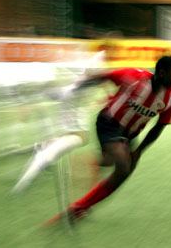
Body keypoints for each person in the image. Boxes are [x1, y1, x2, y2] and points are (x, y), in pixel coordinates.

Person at [44, 56, 171, 224]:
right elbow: (102, 76)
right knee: (123, 167)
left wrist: (139, 151)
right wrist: (71, 89)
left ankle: (92, 175)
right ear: (161, 72)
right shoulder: (134, 77)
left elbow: (158, 127)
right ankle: (78, 208)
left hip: (129, 135)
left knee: (121, 168)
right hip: (108, 124)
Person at [12, 50, 106, 193]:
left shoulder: (78, 89)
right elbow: (54, 91)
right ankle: (39, 149)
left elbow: (91, 73)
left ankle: (21, 186)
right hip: (71, 135)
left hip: (77, 137)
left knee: (46, 155)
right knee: (46, 152)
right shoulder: (70, 89)